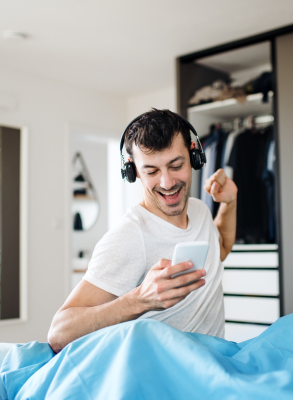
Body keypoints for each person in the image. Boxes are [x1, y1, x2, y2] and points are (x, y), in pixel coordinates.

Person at [47, 109, 237, 353]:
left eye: (176, 165)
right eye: (151, 171)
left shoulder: (199, 210)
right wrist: (139, 300)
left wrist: (230, 203)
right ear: (133, 172)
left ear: (194, 157)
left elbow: (220, 249)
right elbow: (59, 333)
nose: (167, 183)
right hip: (170, 378)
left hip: (216, 361)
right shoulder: (129, 236)